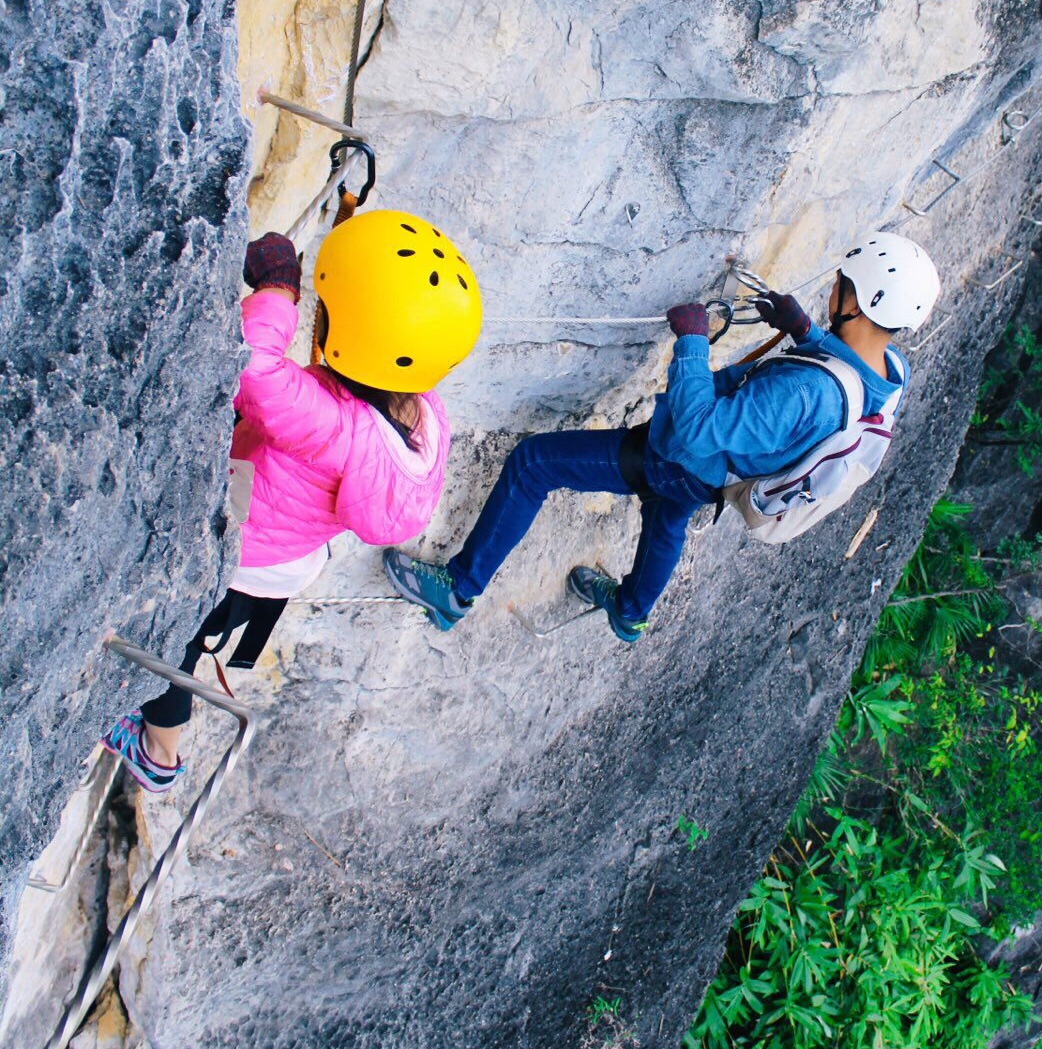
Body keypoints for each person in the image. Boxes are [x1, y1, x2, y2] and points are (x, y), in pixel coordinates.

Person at [383, 233, 940, 643]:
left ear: (858, 300)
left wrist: (692, 341)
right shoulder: (889, 372)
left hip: (683, 459)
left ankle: (457, 591)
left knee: (534, 464)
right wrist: (805, 332)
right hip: (720, 475)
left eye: (842, 283)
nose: (833, 286)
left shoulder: (805, 393)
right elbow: (841, 376)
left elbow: (698, 430)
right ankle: (629, 613)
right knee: (668, 518)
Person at [101, 209, 482, 790]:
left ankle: (158, 756)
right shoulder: (425, 413)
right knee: (191, 640)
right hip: (284, 558)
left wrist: (278, 291)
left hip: (243, 557)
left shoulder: (331, 424)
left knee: (172, 646)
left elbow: (257, 371)